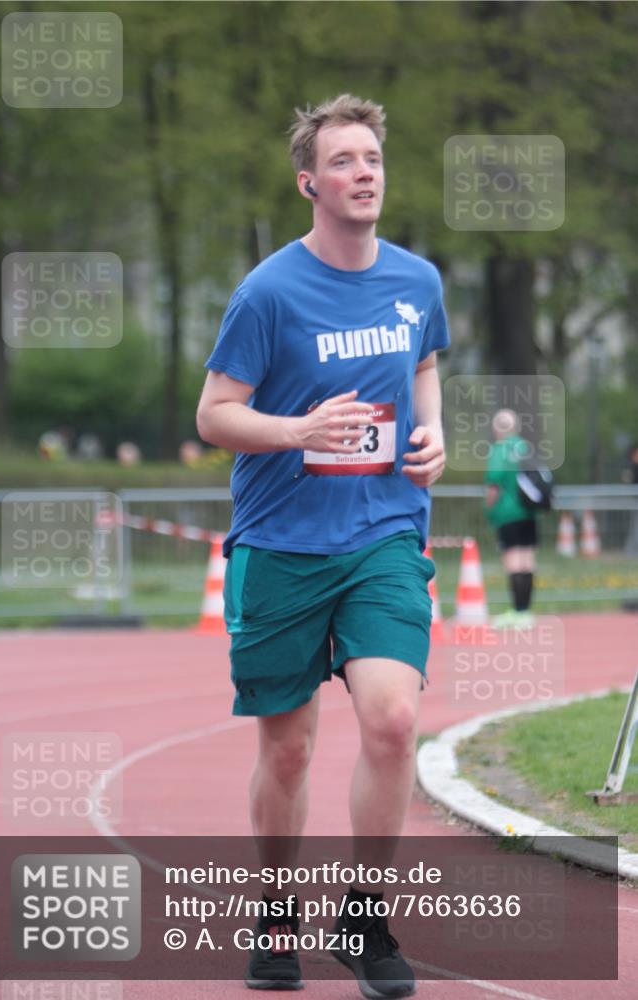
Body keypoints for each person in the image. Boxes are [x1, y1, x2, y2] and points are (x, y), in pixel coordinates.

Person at [196, 93, 449, 998]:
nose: (364, 172)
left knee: (391, 719)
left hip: (383, 532)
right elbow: (214, 414)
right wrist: (298, 432)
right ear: (310, 181)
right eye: (343, 160)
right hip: (282, 541)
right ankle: (273, 909)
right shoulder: (267, 292)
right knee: (291, 749)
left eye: (373, 157)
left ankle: (365, 914)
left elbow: (423, 365)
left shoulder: (417, 281)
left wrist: (432, 437)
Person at [484, 409, 537, 627]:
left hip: (507, 511)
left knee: (513, 561)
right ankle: (526, 612)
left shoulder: (500, 449)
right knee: (528, 559)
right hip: (528, 510)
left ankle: (517, 611)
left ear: (497, 428)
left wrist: (489, 509)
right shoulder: (524, 447)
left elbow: (494, 484)